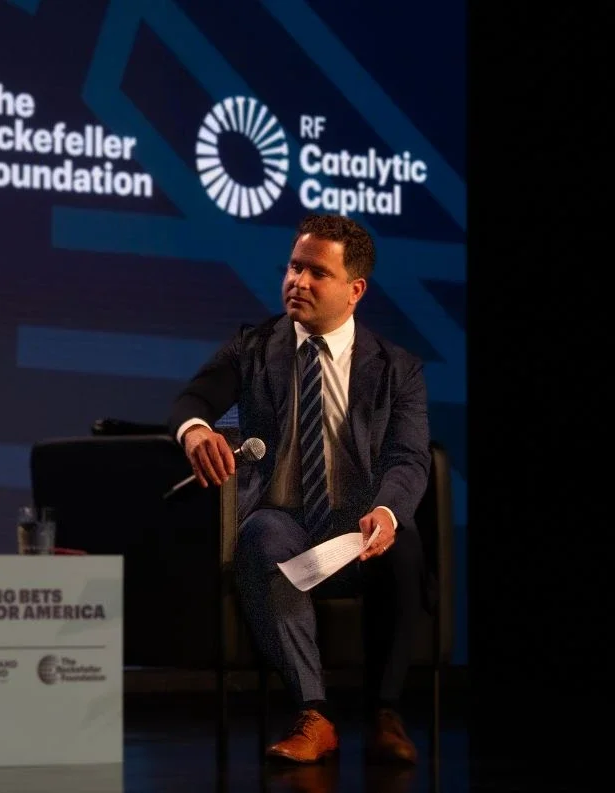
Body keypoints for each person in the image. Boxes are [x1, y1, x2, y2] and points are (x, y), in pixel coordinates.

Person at [167, 213, 429, 766]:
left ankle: (385, 714)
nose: (298, 281)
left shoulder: (396, 369)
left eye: (317, 273)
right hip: (284, 518)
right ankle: (314, 714)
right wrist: (195, 434)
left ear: (354, 290)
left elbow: (407, 457)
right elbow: (195, 400)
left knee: (403, 546)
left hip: (356, 524)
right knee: (258, 538)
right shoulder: (255, 345)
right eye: (293, 266)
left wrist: (385, 509)